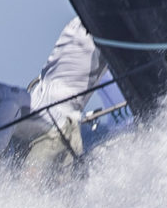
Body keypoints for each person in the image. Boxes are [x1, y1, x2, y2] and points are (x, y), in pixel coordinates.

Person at [26, 18, 108, 176]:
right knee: (34, 179)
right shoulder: (100, 25)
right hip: (53, 119)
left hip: (42, 116)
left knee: (33, 178)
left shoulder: (75, 22)